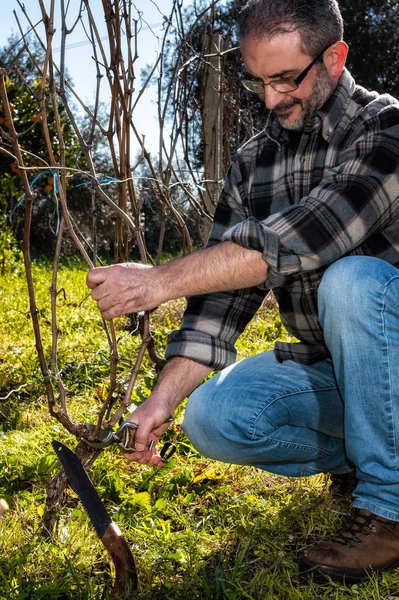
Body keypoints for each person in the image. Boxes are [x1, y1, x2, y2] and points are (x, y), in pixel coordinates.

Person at [86, 0, 399, 583]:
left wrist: (158, 281)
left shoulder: (386, 128)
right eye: (258, 81)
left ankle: (388, 509)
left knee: (353, 281)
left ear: (335, 57)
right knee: (214, 417)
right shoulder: (254, 161)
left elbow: (306, 236)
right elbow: (221, 300)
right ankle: (367, 456)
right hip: (332, 369)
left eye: (286, 78)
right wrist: (162, 399)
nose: (271, 99)